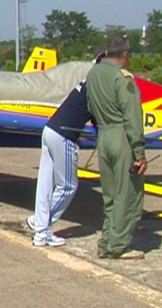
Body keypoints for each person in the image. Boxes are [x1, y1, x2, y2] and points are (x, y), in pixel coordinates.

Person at [86, 36, 147, 260]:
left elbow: (90, 106)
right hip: (122, 137)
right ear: (125, 54)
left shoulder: (93, 74)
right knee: (128, 193)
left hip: (103, 135)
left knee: (110, 194)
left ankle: (107, 240)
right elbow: (132, 117)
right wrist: (139, 152)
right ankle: (117, 246)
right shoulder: (123, 79)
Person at [26, 78, 92, 247]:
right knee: (67, 186)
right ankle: (41, 227)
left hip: (50, 129)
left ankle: (40, 229)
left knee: (45, 184)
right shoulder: (96, 86)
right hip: (64, 135)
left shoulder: (85, 83)